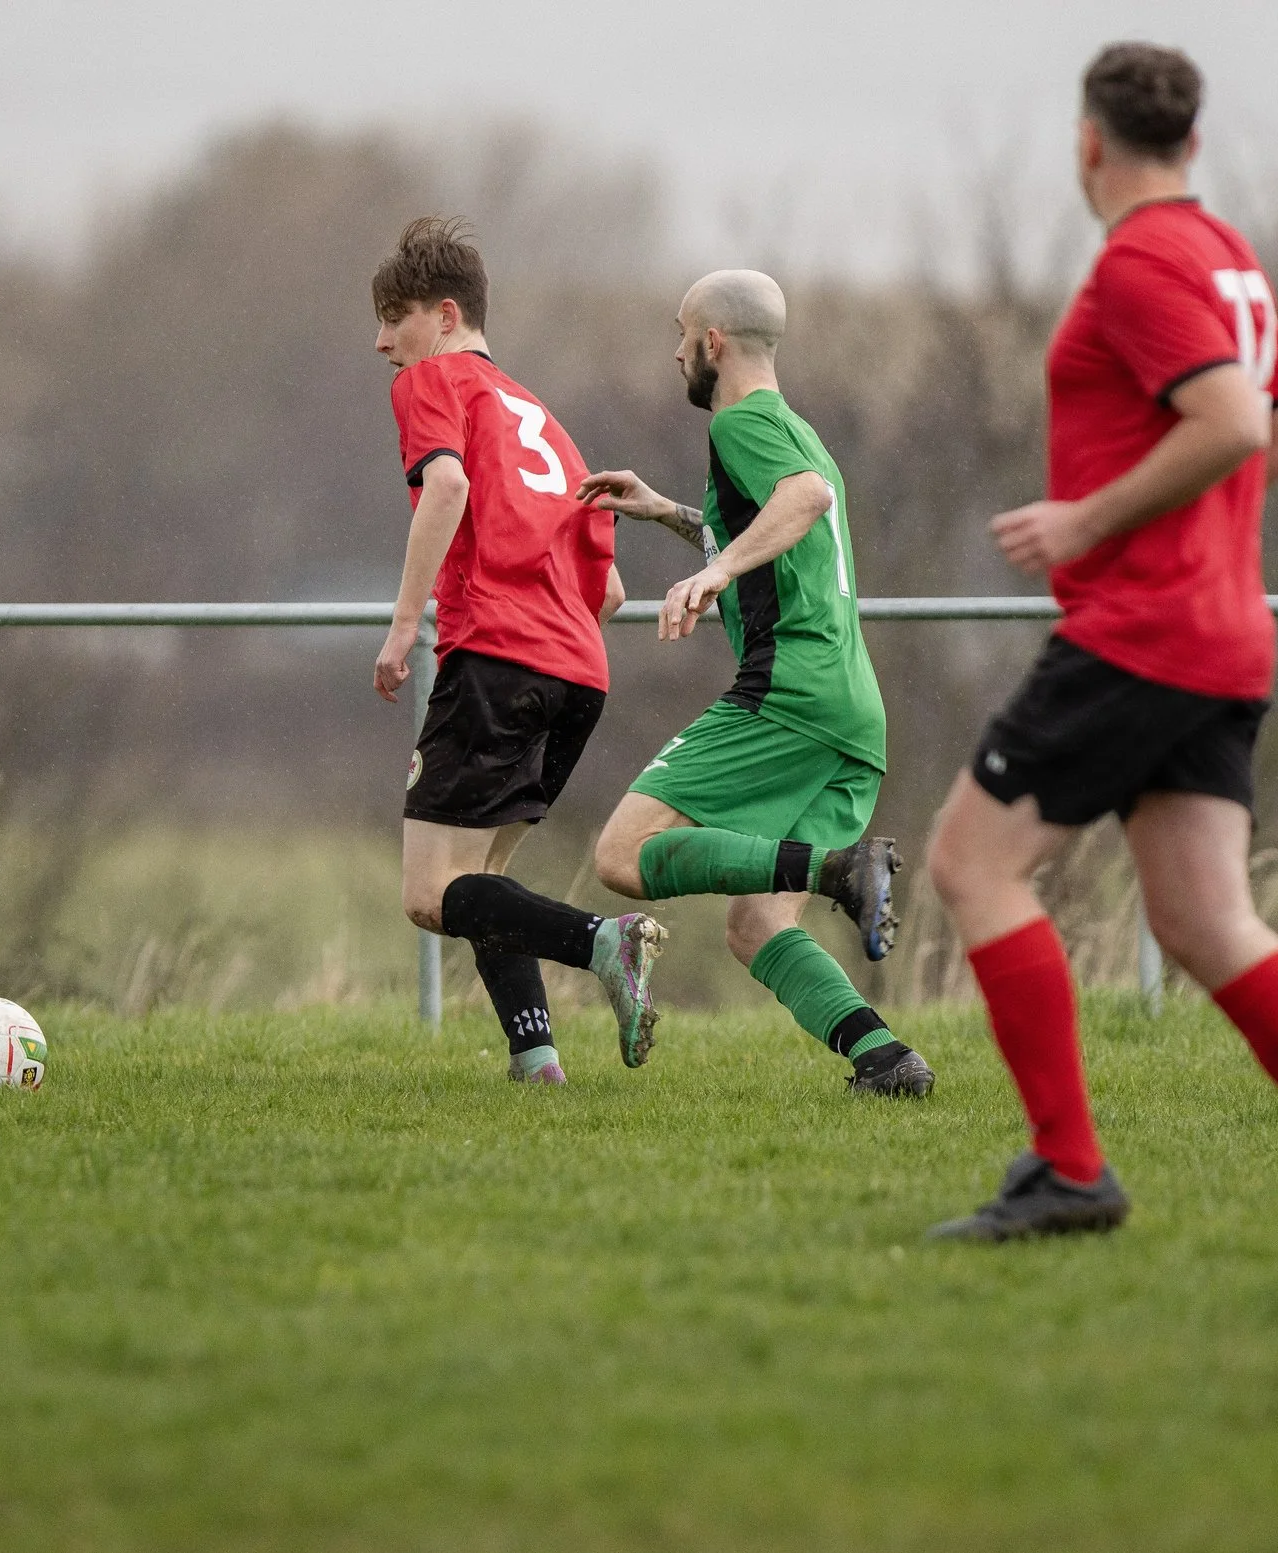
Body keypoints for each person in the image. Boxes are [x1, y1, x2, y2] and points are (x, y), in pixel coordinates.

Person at [924, 43, 1278, 1241]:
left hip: (1140, 630)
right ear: (1192, 143)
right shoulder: (1227, 259)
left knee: (973, 863)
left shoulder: (1141, 261)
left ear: (1087, 142)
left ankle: (1068, 1172)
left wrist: (1086, 519)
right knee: (1207, 920)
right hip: (1223, 634)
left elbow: (1230, 421)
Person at [575, 270, 934, 1097]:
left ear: (713, 344)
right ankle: (885, 1062)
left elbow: (800, 501)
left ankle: (842, 871)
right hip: (852, 713)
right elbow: (786, 514)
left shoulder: (741, 423)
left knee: (622, 855)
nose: (674, 352)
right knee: (756, 924)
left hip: (791, 695)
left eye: (680, 334)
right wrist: (671, 513)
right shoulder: (794, 429)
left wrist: (715, 572)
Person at [371, 216, 665, 1078]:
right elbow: (607, 590)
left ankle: (605, 945)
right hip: (576, 674)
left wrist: (401, 628)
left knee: (432, 896)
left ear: (447, 315)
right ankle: (535, 1060)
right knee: (483, 882)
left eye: (396, 316)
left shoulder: (437, 382)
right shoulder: (544, 420)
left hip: (496, 658)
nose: (382, 341)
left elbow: (448, 487)